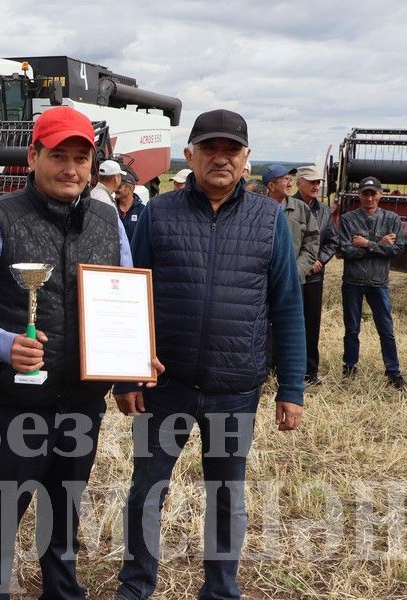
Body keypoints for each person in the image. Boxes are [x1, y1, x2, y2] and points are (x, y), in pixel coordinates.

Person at [114, 109, 306, 600]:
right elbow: (131, 299)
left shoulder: (268, 219)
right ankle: (136, 587)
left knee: (225, 498)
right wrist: (129, 374)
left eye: (232, 150)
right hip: (166, 386)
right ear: (190, 155)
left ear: (246, 159)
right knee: (146, 492)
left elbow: (286, 305)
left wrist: (292, 387)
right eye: (210, 148)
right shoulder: (159, 213)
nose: (221, 158)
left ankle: (220, 590)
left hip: (235, 390)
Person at [0, 105, 144, 600]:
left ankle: (62, 593)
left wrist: (132, 360)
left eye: (82, 158)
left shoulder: (109, 220)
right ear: (33, 155)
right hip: (15, 403)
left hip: (82, 401)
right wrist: (4, 344)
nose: (72, 168)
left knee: (65, 518)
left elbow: (121, 296)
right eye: (60, 155)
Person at [337, 176, 407, 390]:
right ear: (359, 195)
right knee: (352, 328)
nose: (369, 197)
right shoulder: (348, 219)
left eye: (373, 193)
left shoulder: (392, 219)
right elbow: (344, 251)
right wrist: (380, 246)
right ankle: (350, 368)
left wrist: (368, 244)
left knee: (386, 329)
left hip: (379, 282)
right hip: (353, 281)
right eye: (365, 193)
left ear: (381, 194)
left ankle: (393, 373)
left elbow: (397, 249)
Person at [294, 165, 338, 385]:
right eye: (311, 182)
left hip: (314, 277)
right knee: (287, 322)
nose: (316, 186)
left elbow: (332, 241)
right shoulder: (287, 206)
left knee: (311, 324)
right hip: (291, 276)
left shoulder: (324, 211)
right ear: (298, 182)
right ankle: (281, 369)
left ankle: (310, 372)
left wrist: (319, 261)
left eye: (318, 182)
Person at [263, 164, 319, 283]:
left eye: (290, 179)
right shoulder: (257, 209)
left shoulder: (301, 208)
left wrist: (297, 271)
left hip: (293, 281)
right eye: (285, 179)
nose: (290, 184)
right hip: (263, 282)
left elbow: (312, 242)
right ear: (272, 186)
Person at [115, 165, 146, 242]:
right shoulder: (111, 207)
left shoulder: (142, 210)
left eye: (119, 187)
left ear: (130, 189)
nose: (116, 189)